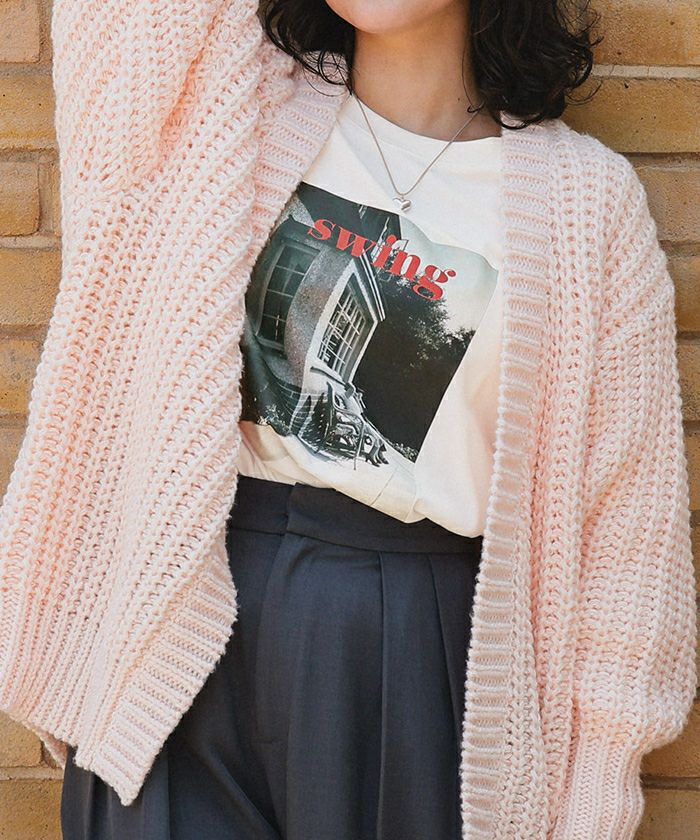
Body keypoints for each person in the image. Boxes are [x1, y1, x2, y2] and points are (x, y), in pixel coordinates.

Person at [0, 1, 695, 839]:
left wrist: (590, 808)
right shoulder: (228, 97)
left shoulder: (586, 205)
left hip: (414, 650)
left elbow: (627, 548)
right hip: (179, 609)